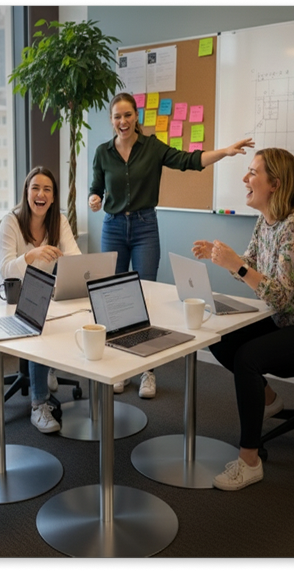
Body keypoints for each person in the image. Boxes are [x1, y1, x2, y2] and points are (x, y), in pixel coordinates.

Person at [192, 148, 294, 491]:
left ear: (274, 184)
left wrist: (237, 265)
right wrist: (225, 259)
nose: (245, 179)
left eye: (252, 173)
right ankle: (269, 399)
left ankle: (249, 462)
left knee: (247, 358)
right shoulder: (267, 221)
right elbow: (251, 266)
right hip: (288, 319)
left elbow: (277, 294)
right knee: (223, 338)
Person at [89, 91, 255, 399]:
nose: (122, 121)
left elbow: (188, 160)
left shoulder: (151, 148)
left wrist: (225, 151)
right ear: (111, 121)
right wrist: (94, 199)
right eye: (117, 116)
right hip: (112, 227)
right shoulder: (102, 152)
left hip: (144, 227)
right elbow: (96, 188)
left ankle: (147, 370)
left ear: (135, 117)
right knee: (114, 296)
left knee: (145, 294)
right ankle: (120, 367)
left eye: (127, 115)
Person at [0, 166, 81, 433]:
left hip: (41, 292)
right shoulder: (11, 222)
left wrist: (72, 266)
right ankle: (38, 404)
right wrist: (32, 255)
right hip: (7, 296)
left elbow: (75, 255)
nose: (41, 194)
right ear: (26, 193)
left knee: (75, 312)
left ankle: (48, 367)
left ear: (53, 198)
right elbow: (7, 268)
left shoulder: (59, 221)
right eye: (35, 188)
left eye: (47, 190)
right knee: (38, 328)